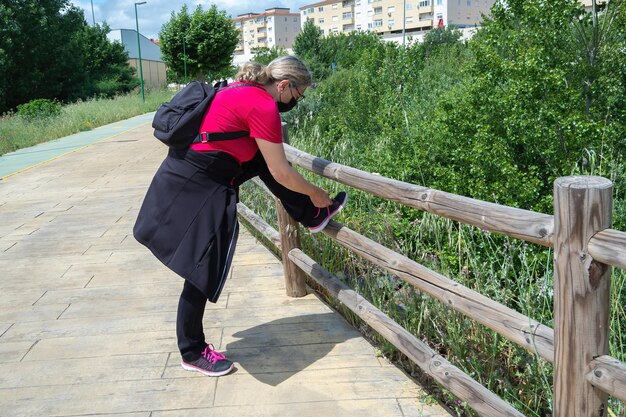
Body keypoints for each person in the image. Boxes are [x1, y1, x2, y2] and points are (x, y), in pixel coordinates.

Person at [133, 55, 348, 377]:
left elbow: (263, 162)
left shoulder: (240, 89)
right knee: (202, 265)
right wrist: (316, 193)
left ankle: (312, 215)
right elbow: (282, 173)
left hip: (193, 168)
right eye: (297, 96)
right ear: (285, 85)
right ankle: (192, 351)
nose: (296, 102)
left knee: (260, 161)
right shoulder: (262, 106)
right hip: (200, 181)